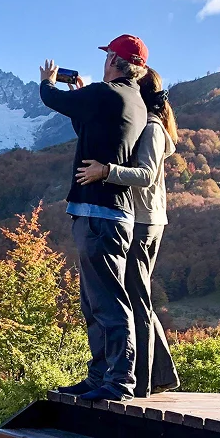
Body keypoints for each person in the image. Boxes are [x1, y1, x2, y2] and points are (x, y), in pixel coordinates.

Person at [39, 35, 148, 402]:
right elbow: (88, 127)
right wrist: (84, 91)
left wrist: (48, 80)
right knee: (95, 301)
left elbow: (54, 100)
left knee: (108, 302)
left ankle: (118, 382)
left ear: (114, 60)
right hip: (110, 214)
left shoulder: (107, 93)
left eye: (108, 57)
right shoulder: (131, 100)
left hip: (99, 214)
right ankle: (100, 376)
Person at [75, 67, 180, 397]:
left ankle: (142, 383)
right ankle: (155, 377)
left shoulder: (150, 128)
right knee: (132, 299)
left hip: (142, 222)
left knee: (135, 301)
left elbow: (146, 175)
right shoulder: (141, 123)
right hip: (134, 219)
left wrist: (106, 171)